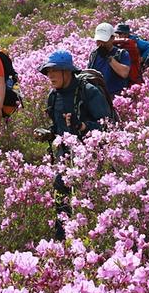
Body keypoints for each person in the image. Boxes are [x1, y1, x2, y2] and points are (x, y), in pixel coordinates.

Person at [38, 50, 111, 240]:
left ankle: (94, 238)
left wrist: (85, 126)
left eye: (55, 70)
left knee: (89, 199)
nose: (50, 75)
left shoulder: (89, 92)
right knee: (60, 190)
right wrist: (50, 133)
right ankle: (63, 238)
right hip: (65, 156)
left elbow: (108, 125)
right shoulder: (53, 96)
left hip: (91, 155)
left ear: (67, 71)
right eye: (48, 71)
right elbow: (58, 126)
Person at [88, 22, 131, 96]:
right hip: (99, 95)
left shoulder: (122, 54)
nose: (101, 43)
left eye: (104, 40)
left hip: (116, 97)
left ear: (112, 38)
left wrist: (108, 57)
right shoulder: (94, 54)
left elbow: (124, 73)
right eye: (98, 40)